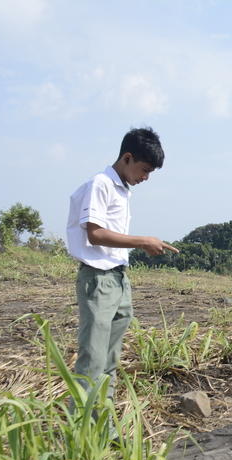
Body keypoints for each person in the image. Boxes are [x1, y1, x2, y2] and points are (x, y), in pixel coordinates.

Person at [65, 127, 178, 405]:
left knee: (109, 359)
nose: (145, 177)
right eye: (144, 169)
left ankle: (104, 426)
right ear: (127, 158)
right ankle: (80, 429)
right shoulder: (100, 184)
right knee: (93, 359)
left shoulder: (121, 189)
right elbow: (95, 233)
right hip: (98, 279)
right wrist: (142, 241)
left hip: (117, 278)